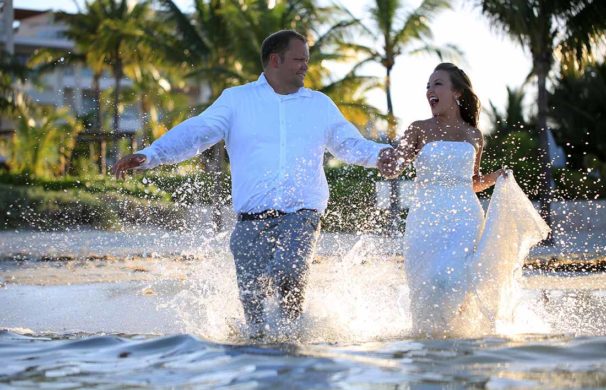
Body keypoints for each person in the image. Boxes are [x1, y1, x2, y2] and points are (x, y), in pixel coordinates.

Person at [112, 30, 394, 338]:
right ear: (276, 60)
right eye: (299, 60)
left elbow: (349, 143)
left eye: (307, 60)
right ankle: (260, 359)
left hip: (301, 216)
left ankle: (293, 348)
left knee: (289, 273)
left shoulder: (319, 105)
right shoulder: (237, 100)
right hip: (249, 223)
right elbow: (198, 132)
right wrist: (151, 154)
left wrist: (381, 155)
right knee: (254, 313)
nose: (305, 67)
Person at [379, 63, 549, 337]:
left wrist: (496, 176)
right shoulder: (418, 129)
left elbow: (472, 183)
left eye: (437, 84)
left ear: (457, 92)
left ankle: (460, 342)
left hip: (464, 220)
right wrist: (389, 162)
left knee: (457, 279)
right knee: (429, 281)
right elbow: (397, 163)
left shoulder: (474, 135)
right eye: (427, 86)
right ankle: (428, 344)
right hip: (425, 220)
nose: (429, 91)